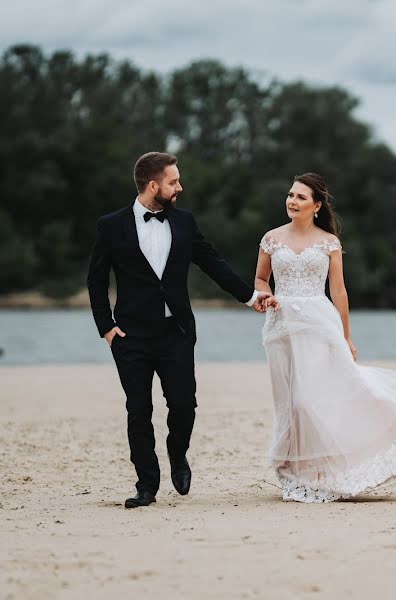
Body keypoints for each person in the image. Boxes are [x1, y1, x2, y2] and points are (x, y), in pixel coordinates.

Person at [87, 152, 273, 509]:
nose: (180, 187)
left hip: (177, 332)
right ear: (153, 185)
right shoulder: (111, 225)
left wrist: (250, 297)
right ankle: (147, 485)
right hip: (130, 336)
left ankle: (177, 453)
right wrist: (106, 328)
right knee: (138, 409)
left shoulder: (185, 222)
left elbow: (213, 263)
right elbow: (96, 280)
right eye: (174, 181)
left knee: (184, 404)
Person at [255, 173, 396, 502]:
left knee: (318, 396)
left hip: (319, 323)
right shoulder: (271, 238)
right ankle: (297, 475)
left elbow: (338, 291)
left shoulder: (328, 242)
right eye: (290, 195)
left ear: (316, 206)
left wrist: (346, 336)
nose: (292, 201)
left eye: (300, 197)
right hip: (281, 326)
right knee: (291, 402)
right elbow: (260, 278)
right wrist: (265, 295)